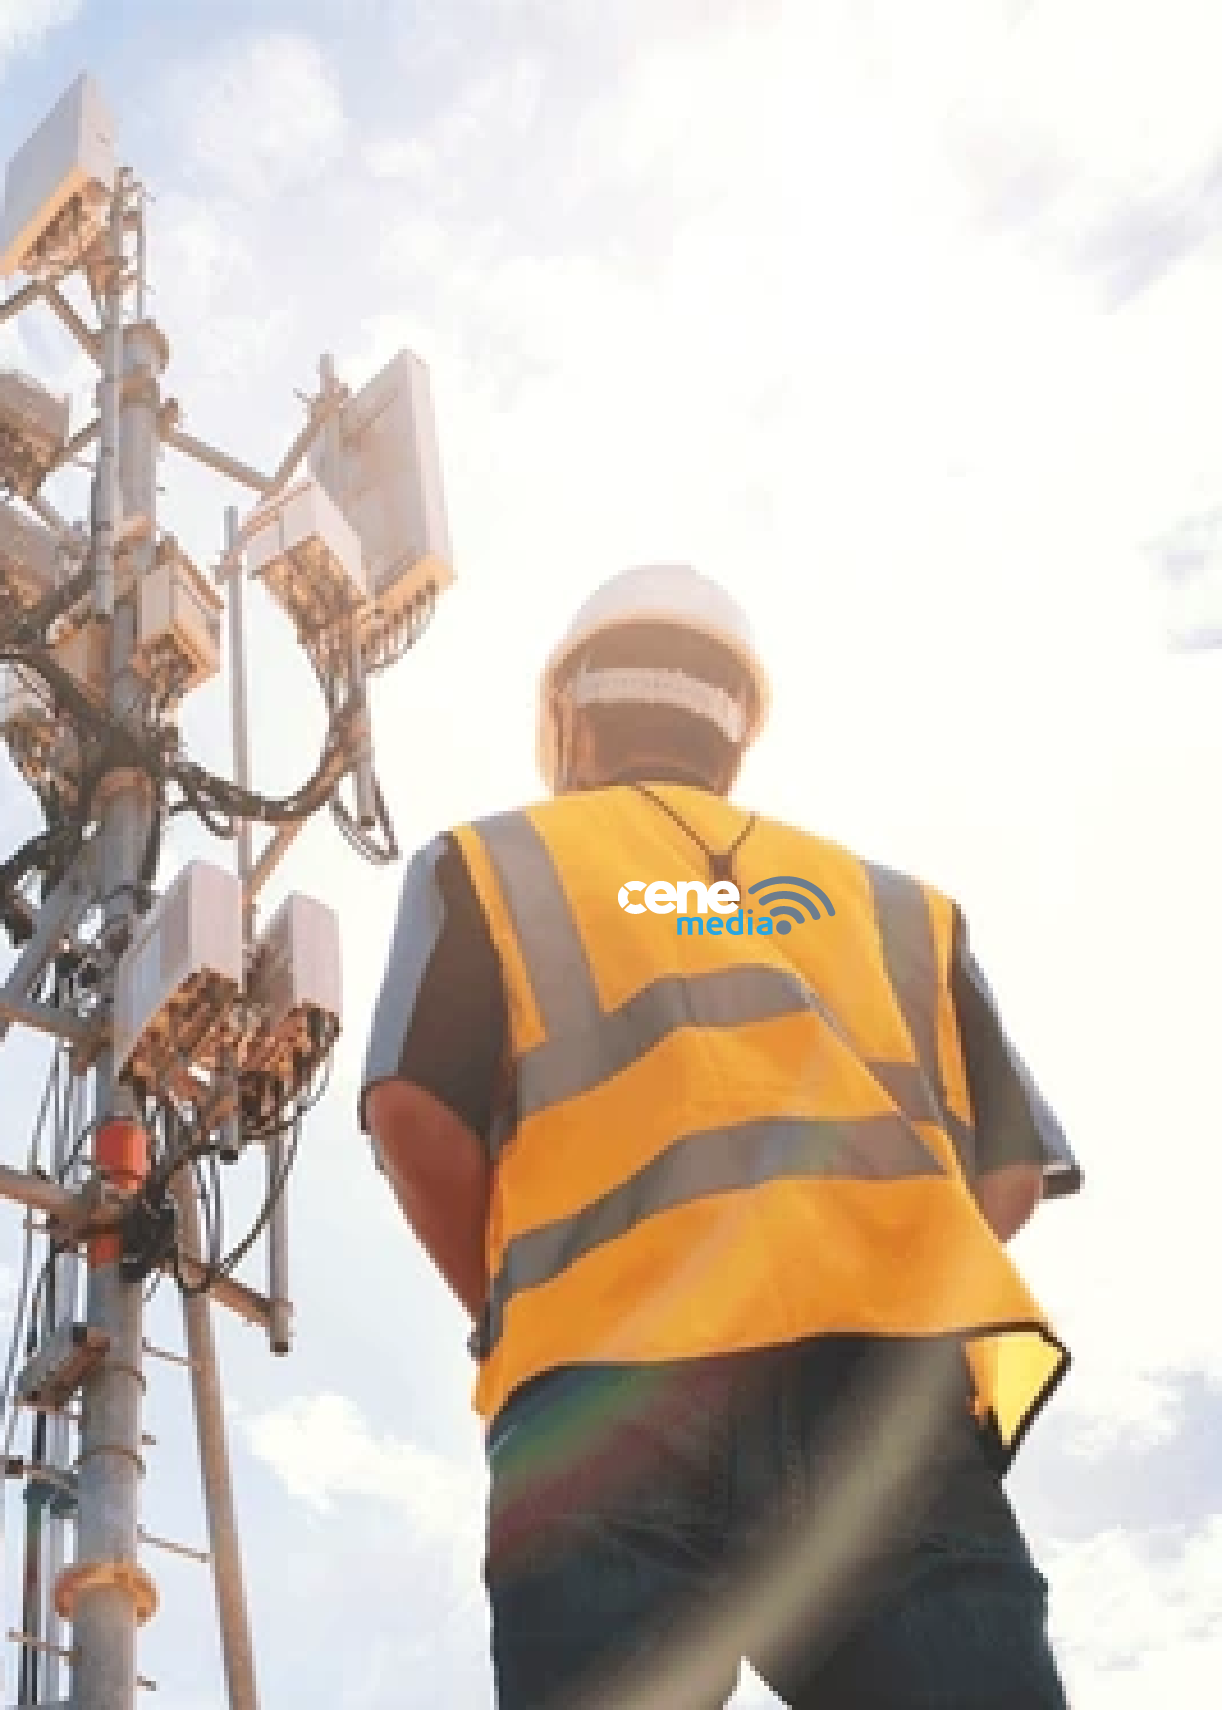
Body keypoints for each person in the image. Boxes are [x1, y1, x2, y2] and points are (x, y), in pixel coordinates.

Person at [358, 563, 1082, 1709]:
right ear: (735, 735)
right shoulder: (902, 907)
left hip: (604, 1381)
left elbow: (412, 1110)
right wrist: (888, 1262)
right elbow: (1007, 1172)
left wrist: (509, 1313)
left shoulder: (494, 861)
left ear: (572, 720)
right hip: (881, 1389)